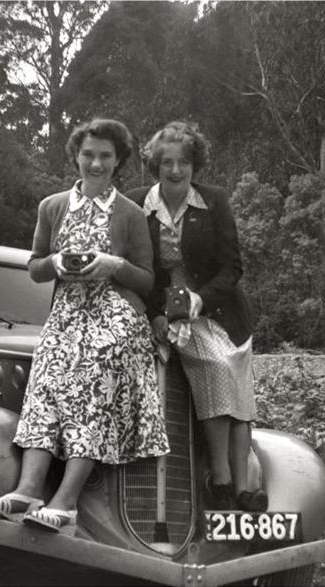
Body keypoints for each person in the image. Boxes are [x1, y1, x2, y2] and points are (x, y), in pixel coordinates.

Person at [0, 118, 170, 533]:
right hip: (67, 313)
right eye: (88, 155)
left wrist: (114, 265)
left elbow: (147, 280)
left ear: (118, 162)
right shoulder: (52, 206)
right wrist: (57, 263)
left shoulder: (131, 214)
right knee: (45, 373)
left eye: (105, 156)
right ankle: (26, 490)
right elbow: (35, 267)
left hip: (116, 314)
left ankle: (66, 501)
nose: (95, 164)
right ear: (76, 156)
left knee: (90, 368)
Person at [126, 121, 267, 512]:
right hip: (170, 316)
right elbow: (136, 268)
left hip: (221, 312)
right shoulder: (137, 203)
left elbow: (232, 267)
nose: (175, 170)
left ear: (195, 163)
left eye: (184, 162)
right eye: (167, 162)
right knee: (219, 367)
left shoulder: (214, 201)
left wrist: (200, 300)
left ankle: (242, 490)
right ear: (155, 164)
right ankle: (219, 476)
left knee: (240, 393)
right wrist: (156, 312)